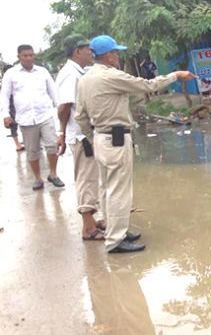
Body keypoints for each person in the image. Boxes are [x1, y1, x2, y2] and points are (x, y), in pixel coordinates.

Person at [75, 35, 196, 254]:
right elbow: (147, 85)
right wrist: (175, 75)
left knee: (106, 189)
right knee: (119, 192)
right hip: (115, 139)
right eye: (116, 53)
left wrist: (93, 139)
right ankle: (116, 240)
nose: (118, 56)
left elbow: (81, 116)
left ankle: (115, 230)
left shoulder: (85, 79)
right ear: (108, 55)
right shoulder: (110, 76)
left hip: (101, 138)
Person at [55, 35, 107, 241]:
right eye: (88, 48)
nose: (91, 52)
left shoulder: (79, 72)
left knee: (93, 178)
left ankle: (93, 221)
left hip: (85, 134)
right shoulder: (70, 74)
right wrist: (62, 132)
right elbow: (65, 107)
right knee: (86, 179)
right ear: (77, 51)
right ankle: (88, 228)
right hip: (80, 136)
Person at [0, 45, 63, 190]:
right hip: (26, 119)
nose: (28, 58)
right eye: (25, 56)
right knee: (32, 150)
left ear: (34, 56)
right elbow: (4, 95)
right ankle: (38, 178)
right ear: (19, 57)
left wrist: (60, 110)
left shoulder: (42, 72)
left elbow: (53, 92)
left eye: (31, 55)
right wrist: (5, 115)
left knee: (52, 146)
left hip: (45, 115)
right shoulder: (11, 74)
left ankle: (53, 174)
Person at [2, 64, 24, 152]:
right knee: (17, 125)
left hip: (15, 106)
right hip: (14, 106)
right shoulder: (8, 81)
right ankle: (19, 144)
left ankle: (18, 144)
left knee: (15, 126)